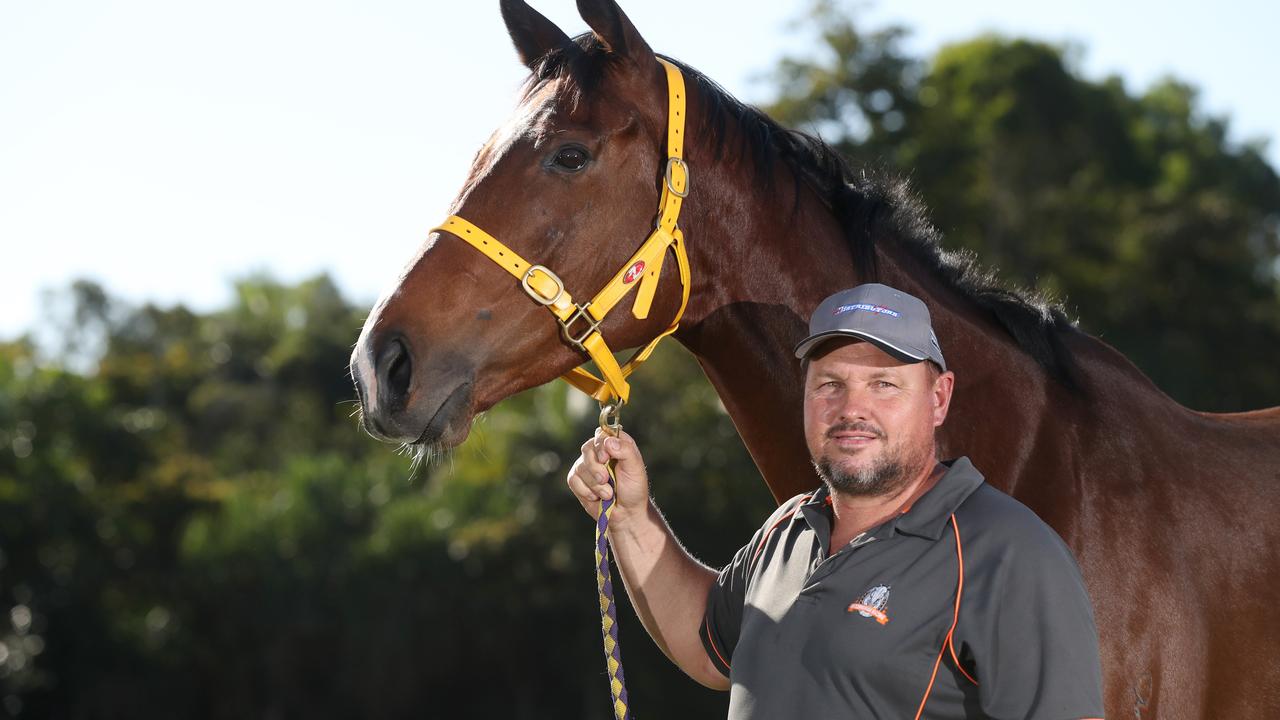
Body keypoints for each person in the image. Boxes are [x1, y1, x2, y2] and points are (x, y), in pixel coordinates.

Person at [566, 283, 1105, 719]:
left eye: (884, 385)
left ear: (938, 399)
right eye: (830, 384)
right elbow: (711, 647)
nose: (852, 409)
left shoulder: (1008, 553)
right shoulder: (788, 529)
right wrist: (631, 518)